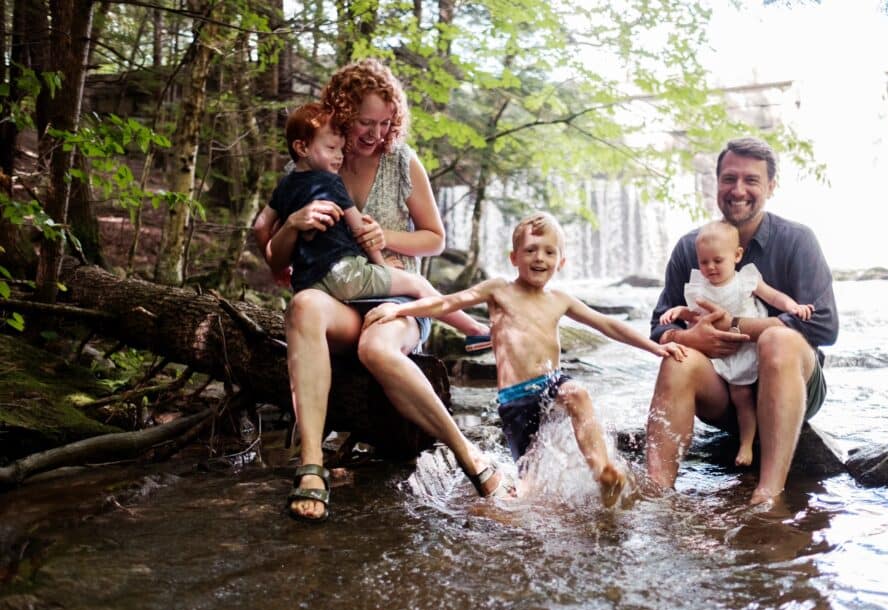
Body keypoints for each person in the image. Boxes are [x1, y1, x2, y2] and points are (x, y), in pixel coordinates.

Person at [252, 58, 509, 522]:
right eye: (365, 123)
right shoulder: (317, 158)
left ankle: (468, 455)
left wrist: (382, 237)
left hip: (401, 299)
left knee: (376, 346)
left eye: (385, 123)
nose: (374, 134)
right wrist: (292, 224)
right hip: (339, 298)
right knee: (305, 305)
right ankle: (312, 465)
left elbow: (435, 238)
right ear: (343, 114)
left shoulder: (401, 161)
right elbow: (274, 256)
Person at [364, 211, 689, 506]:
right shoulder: (499, 290)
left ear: (561, 262)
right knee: (528, 494)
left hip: (550, 384)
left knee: (576, 393)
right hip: (515, 401)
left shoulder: (559, 299)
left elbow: (607, 324)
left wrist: (656, 348)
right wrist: (400, 308)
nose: (540, 258)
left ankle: (603, 472)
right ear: (514, 257)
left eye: (549, 252)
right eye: (531, 250)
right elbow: (447, 303)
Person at [646, 137, 839, 505]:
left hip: (792, 384)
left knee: (777, 340)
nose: (738, 190)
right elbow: (659, 327)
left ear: (770, 187)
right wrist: (689, 339)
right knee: (677, 358)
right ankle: (656, 494)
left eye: (751, 180)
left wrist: (735, 327)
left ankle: (768, 493)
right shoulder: (691, 247)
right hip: (724, 394)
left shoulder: (798, 240)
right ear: (716, 183)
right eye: (728, 179)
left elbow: (825, 326)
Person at [257, 102, 490, 344]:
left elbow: (260, 226)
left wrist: (277, 268)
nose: (338, 156)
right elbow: (361, 230)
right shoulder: (330, 182)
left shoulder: (288, 182)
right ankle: (476, 330)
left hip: (311, 284)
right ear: (302, 147)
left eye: (385, 123)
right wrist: (382, 267)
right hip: (345, 278)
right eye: (366, 123)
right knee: (419, 284)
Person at [658, 220, 815, 468]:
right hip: (721, 355)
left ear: (737, 255)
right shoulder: (700, 287)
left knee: (754, 388)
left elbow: (773, 295)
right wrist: (676, 312)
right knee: (739, 394)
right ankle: (742, 443)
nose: (710, 267)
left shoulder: (746, 280)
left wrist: (793, 307)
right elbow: (692, 314)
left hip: (749, 346)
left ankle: (755, 443)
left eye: (717, 261)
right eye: (704, 262)